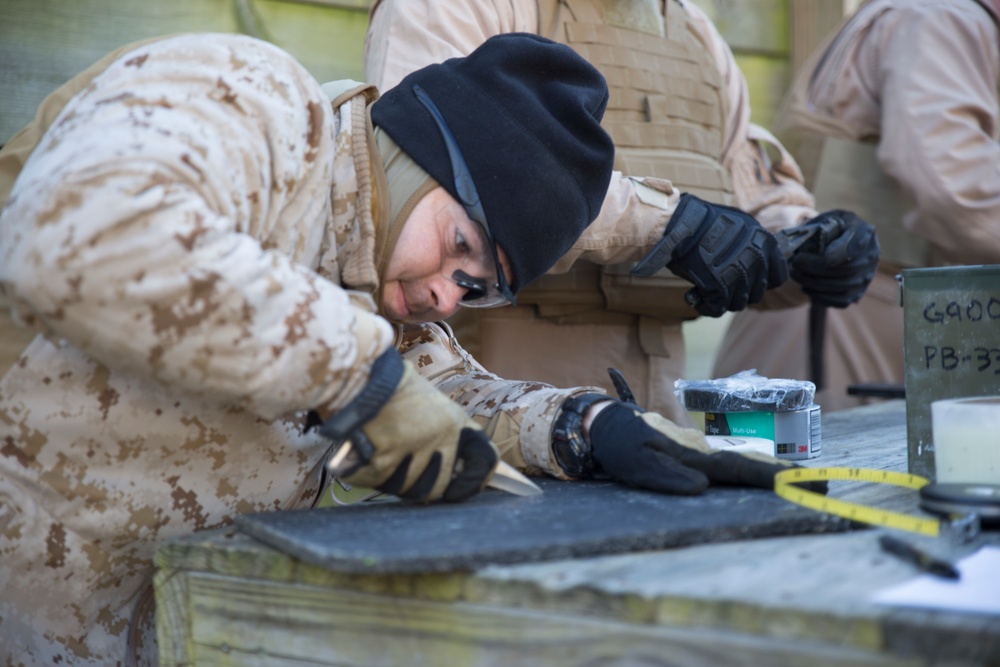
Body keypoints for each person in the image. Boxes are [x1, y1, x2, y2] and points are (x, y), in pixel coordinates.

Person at [0, 32, 827, 666]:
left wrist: (585, 427)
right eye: (459, 246)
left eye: (479, 287)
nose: (445, 295)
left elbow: (435, 397)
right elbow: (82, 237)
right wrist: (356, 371)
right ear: (419, 155)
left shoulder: (379, 274)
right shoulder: (249, 98)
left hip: (188, 621)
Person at [364, 0, 881, 425]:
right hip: (497, 381)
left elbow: (742, 195)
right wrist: (672, 224)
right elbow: (426, 173)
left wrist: (801, 249)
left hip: (659, 393)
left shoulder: (696, 36)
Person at [713, 0, 1000, 410]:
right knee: (815, 469)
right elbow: (954, 191)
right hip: (844, 315)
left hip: (850, 309)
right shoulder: (941, 16)